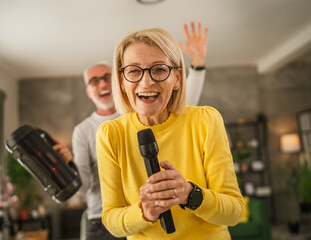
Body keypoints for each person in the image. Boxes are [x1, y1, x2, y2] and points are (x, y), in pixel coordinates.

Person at [54, 22, 209, 240]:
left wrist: (198, 65)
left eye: (106, 77)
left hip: (152, 221)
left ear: (119, 80)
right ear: (89, 91)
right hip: (103, 220)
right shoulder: (83, 130)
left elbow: (184, 104)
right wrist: (67, 167)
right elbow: (84, 187)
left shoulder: (143, 111)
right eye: (94, 81)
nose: (102, 84)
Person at [95, 27, 244, 239]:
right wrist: (144, 212)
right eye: (134, 71)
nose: (146, 82)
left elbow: (234, 213)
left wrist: (191, 194)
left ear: (177, 77)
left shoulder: (205, 120)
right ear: (121, 80)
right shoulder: (110, 134)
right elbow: (112, 221)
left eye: (159, 69)